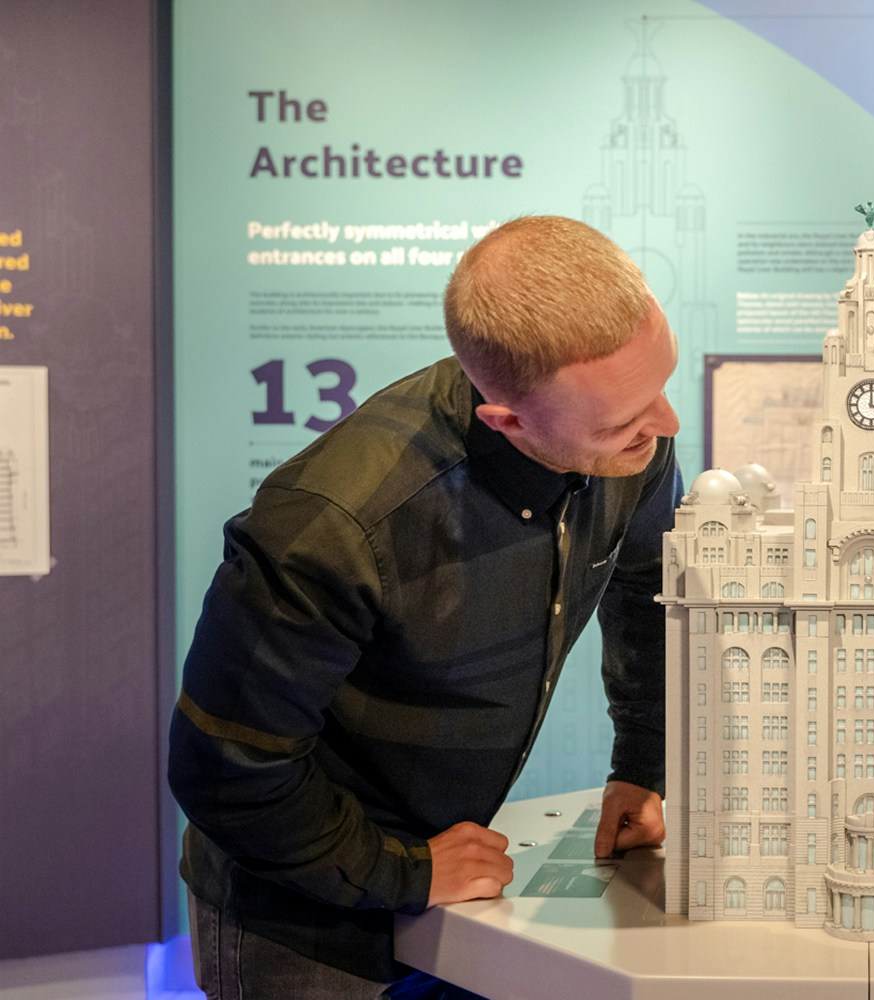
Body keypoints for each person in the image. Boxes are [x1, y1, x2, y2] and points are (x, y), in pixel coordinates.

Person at [169, 215, 682, 998]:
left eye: (660, 388)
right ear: (507, 421)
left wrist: (643, 770)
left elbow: (647, 597)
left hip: (453, 893)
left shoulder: (633, 438)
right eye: (623, 422)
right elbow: (226, 773)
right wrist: (404, 871)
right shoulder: (332, 528)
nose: (665, 425)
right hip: (300, 919)